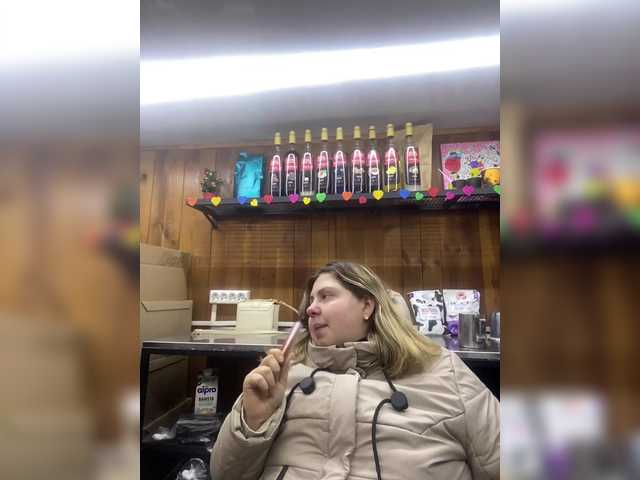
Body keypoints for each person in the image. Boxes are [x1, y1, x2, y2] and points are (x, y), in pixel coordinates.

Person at [211, 261, 499, 480]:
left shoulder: (443, 370)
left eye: (326, 296)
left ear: (367, 306)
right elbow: (225, 473)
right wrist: (253, 422)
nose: (311, 309)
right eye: (311, 301)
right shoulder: (283, 375)